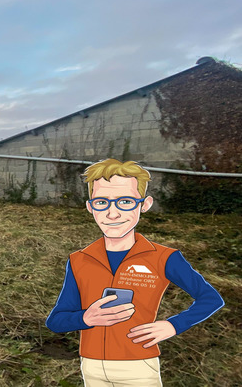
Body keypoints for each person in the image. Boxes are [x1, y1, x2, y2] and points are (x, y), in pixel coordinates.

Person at [46, 159, 224, 386]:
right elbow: (55, 321)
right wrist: (85, 318)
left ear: (145, 204)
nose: (112, 213)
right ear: (90, 206)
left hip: (138, 366)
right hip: (91, 366)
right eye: (102, 202)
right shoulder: (79, 259)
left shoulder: (164, 257)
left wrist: (173, 325)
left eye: (126, 201)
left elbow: (211, 298)